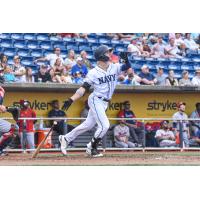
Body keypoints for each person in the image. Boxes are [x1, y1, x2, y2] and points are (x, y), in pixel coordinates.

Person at [59, 45, 132, 157]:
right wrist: (71, 99)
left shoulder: (114, 67)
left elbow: (126, 66)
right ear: (102, 55)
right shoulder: (93, 72)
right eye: (108, 52)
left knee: (88, 125)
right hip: (96, 100)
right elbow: (83, 88)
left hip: (105, 102)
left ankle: (65, 138)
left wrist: (126, 59)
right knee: (105, 126)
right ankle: (91, 148)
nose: (110, 54)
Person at [0, 85, 19, 156]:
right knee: (14, 129)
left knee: (14, 129)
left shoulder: (1, 92)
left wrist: (7, 109)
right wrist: (8, 109)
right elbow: (2, 108)